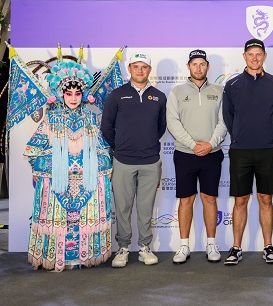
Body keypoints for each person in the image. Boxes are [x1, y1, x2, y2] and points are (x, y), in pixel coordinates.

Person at [25, 58, 112, 271]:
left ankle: (84, 255)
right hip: (57, 181)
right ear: (61, 94)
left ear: (83, 95)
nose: (73, 98)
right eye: (68, 93)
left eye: (78, 93)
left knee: (83, 217)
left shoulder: (92, 119)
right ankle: (57, 257)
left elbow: (103, 149)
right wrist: (42, 169)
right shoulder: (51, 119)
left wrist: (104, 172)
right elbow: (32, 150)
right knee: (58, 218)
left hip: (87, 182)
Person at [222, 39, 273, 265]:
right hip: (240, 150)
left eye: (259, 54)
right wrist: (238, 135)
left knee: (265, 198)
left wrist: (269, 135)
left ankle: (268, 246)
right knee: (241, 200)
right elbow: (228, 117)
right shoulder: (232, 85)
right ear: (244, 56)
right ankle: (236, 247)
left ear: (265, 56)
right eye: (251, 54)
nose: (255, 58)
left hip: (267, 149)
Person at [102, 52, 167, 268]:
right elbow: (107, 128)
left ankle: (144, 248)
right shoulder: (117, 95)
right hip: (123, 161)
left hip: (150, 161)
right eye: (136, 66)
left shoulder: (159, 96)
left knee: (146, 207)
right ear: (129, 68)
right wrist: (121, 146)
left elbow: (160, 127)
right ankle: (122, 248)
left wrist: (145, 143)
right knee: (123, 207)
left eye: (144, 67)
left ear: (150, 70)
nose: (140, 71)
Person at [167, 49, 227, 264]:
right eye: (195, 64)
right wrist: (193, 145)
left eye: (202, 64)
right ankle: (184, 245)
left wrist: (210, 143)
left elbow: (224, 122)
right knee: (186, 200)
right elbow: (173, 123)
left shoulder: (219, 91)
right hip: (185, 154)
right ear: (189, 66)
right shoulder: (177, 91)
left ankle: (211, 243)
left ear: (208, 66)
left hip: (212, 153)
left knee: (209, 198)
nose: (199, 68)